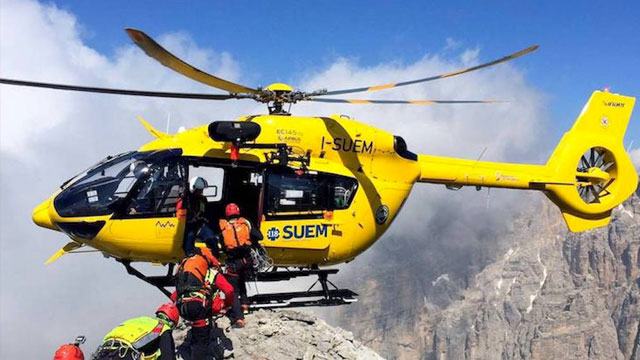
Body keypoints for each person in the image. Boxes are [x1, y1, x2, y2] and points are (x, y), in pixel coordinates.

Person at [175, 246, 243, 360]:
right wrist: (226, 305)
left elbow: (174, 295)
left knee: (197, 335)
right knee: (201, 342)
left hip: (182, 306)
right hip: (198, 307)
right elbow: (229, 290)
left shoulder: (186, 271)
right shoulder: (210, 273)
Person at [217, 203, 264, 312]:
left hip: (234, 261)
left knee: (233, 288)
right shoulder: (245, 222)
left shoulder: (222, 226)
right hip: (247, 260)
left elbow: (223, 245)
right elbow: (259, 236)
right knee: (242, 281)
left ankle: (237, 314)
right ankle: (245, 305)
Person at [92, 303, 179, 360]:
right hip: (124, 355)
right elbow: (168, 357)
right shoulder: (163, 327)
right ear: (172, 322)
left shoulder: (140, 320)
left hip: (103, 352)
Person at [178, 176, 216, 256]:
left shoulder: (202, 200)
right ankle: (190, 255)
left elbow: (206, 211)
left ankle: (215, 254)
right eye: (199, 190)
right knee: (190, 236)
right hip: (189, 225)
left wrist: (204, 218)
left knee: (211, 237)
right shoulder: (186, 199)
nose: (201, 192)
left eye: (201, 190)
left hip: (200, 225)